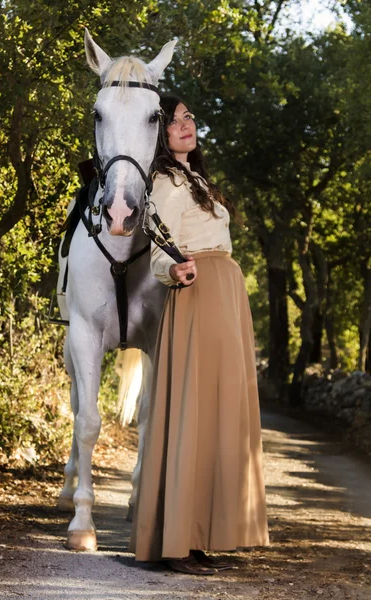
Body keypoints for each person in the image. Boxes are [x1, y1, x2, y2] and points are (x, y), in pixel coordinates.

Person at [130, 93, 269, 575]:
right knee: (193, 414)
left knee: (216, 414)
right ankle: (174, 543)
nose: (185, 124)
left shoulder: (195, 178)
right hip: (200, 295)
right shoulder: (166, 181)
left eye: (188, 116)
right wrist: (177, 273)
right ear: (161, 135)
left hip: (224, 295)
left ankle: (196, 534)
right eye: (173, 120)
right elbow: (158, 250)